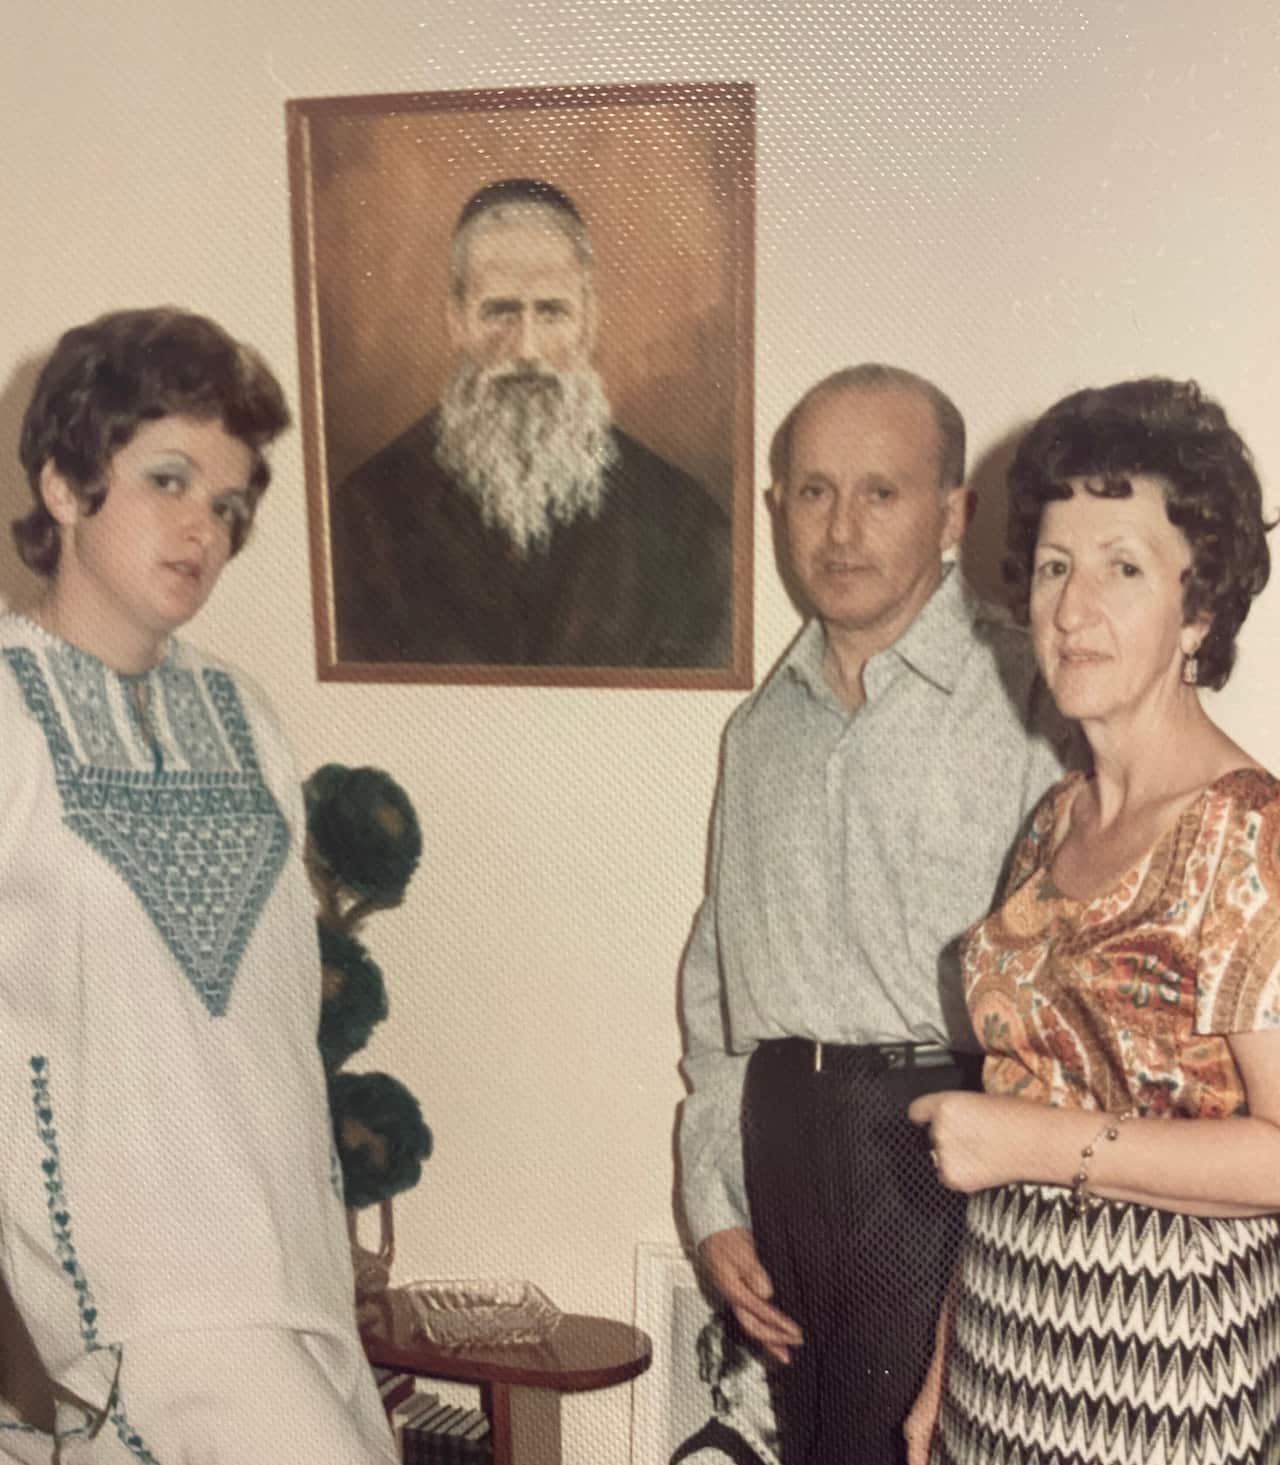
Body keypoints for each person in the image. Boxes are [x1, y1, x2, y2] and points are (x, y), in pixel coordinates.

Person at [0, 308, 396, 1463]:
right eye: (167, 480)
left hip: (294, 1271)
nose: (203, 530)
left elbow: (272, 1018)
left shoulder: (245, 715)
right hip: (140, 1299)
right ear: (66, 482)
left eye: (227, 504)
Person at [678, 364, 1075, 1464]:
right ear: (774, 510)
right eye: (811, 492)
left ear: (953, 512)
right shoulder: (758, 733)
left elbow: (1064, 995)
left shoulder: (1030, 698)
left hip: (940, 1148)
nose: (839, 528)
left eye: (879, 493)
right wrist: (711, 1193)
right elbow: (715, 992)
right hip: (783, 1148)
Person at [907, 377, 1280, 1465]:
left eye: (1123, 568)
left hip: (1161, 1376)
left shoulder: (1246, 833)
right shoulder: (1050, 822)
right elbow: (1005, 1107)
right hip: (1002, 1357)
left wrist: (1028, 1144)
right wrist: (941, 1373)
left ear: (1197, 606)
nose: (1072, 609)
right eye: (1055, 567)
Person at [331, 176, 731, 669]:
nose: (525, 348)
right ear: (455, 320)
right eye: (499, 311)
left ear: (589, 322)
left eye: (551, 312)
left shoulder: (685, 526)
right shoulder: (364, 514)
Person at [671, 1311, 781, 1465]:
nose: (782, 1392)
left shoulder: (765, 1452)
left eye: (786, 1381)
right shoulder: (711, 1459)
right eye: (768, 1381)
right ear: (729, 1387)